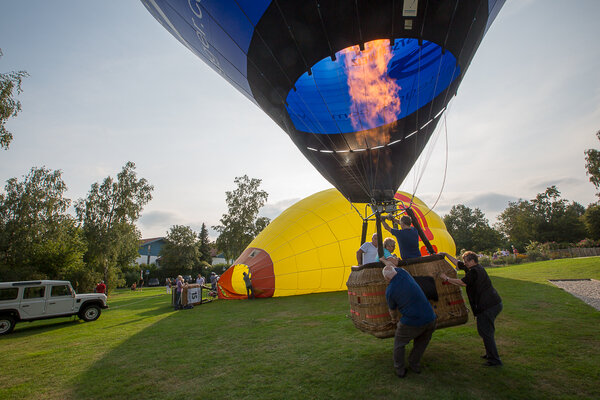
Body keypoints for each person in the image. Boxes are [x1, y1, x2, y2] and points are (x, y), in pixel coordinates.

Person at [440, 251, 503, 367]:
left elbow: (462, 283)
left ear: (473, 261)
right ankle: (490, 353)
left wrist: (446, 278)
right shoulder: (473, 268)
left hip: (488, 306)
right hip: (493, 303)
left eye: (467, 261)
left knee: (486, 332)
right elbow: (458, 264)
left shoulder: (475, 271)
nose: (465, 263)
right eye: (465, 261)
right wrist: (445, 255)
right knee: (484, 331)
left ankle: (495, 360)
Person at [381, 261, 437, 378]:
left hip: (412, 321)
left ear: (386, 278)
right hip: (430, 318)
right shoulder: (403, 273)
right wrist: (384, 261)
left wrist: (394, 319)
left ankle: (400, 369)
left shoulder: (390, 290)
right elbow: (394, 267)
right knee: (421, 343)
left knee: (399, 343)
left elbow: (392, 311)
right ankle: (414, 364)